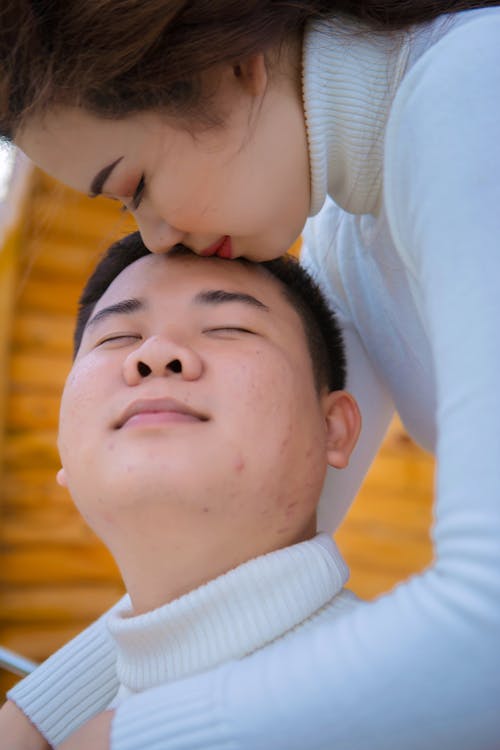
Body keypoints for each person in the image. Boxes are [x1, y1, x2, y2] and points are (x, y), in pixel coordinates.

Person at [0, 1, 499, 748]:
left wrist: (134, 737)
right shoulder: (350, 233)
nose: (156, 236)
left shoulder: (472, 88)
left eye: (134, 183)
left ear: (235, 65)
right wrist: (36, 717)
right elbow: (263, 538)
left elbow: (487, 627)